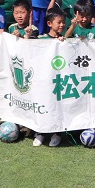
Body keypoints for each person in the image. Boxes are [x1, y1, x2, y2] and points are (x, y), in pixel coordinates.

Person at [34, 11, 68, 147]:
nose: (61, 25)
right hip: (44, 81)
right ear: (49, 24)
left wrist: (63, 42)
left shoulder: (64, 39)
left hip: (60, 81)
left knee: (59, 106)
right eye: (58, 22)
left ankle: (57, 133)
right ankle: (41, 133)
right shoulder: (41, 39)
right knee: (44, 105)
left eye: (63, 22)